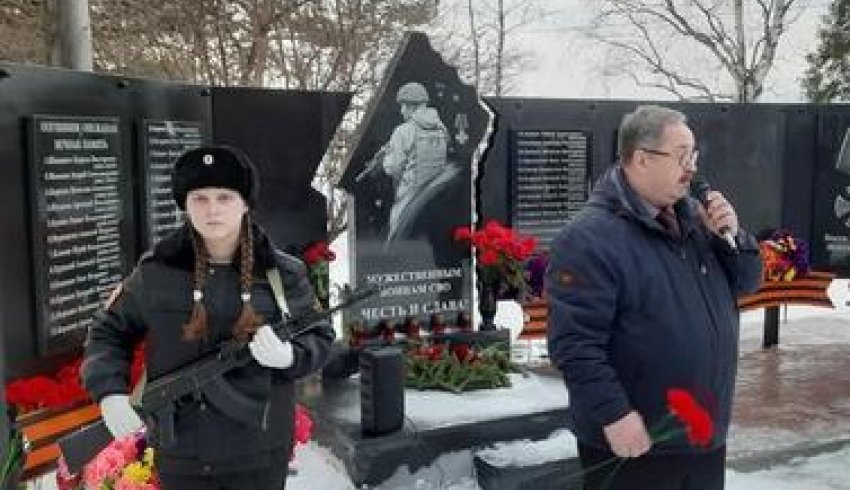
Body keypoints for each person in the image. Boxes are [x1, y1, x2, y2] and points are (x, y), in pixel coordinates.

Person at [81, 145, 334, 490]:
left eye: (224, 197)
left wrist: (290, 355)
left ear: (245, 203)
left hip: (259, 454)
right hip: (182, 455)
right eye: (199, 197)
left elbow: (320, 335)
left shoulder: (282, 273)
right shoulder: (156, 272)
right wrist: (109, 393)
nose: (212, 209)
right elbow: (107, 332)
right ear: (185, 204)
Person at [546, 105, 762, 490]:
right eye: (681, 155)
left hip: (702, 434)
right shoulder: (589, 238)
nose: (692, 167)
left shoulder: (696, 220)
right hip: (637, 442)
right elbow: (574, 344)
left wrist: (733, 238)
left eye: (694, 155)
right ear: (641, 159)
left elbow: (747, 282)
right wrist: (615, 416)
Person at [357, 81, 457, 246]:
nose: (401, 110)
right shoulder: (441, 128)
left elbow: (393, 168)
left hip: (409, 199)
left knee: (396, 242)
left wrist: (384, 161)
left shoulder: (403, 131)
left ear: (413, 106)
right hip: (436, 195)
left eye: (404, 106)